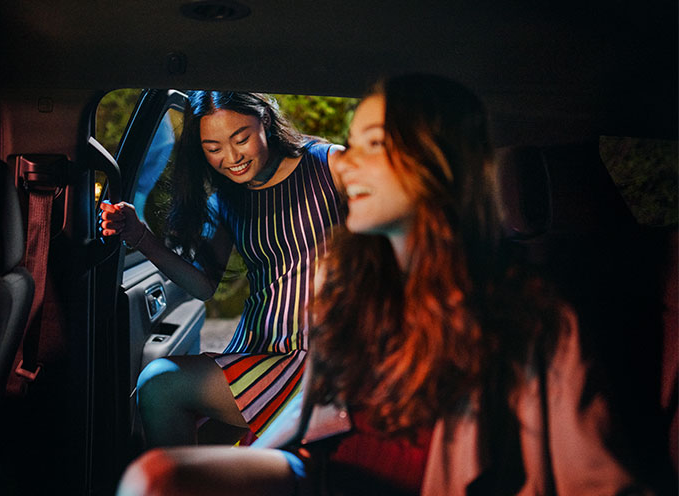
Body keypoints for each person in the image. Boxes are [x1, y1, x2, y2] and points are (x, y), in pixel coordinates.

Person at [116, 74, 669, 496]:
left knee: (163, 423)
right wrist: (141, 239)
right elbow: (331, 402)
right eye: (214, 148)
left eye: (372, 147)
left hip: (313, 378)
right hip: (282, 367)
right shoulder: (358, 290)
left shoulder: (521, 321)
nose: (349, 163)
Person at [100, 91, 345, 447]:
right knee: (202, 450)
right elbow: (202, 286)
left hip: (319, 353)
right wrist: (140, 236)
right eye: (213, 148)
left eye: (241, 139)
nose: (231, 158)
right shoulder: (227, 197)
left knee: (159, 383)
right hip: (258, 345)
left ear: (266, 120)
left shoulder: (330, 164)